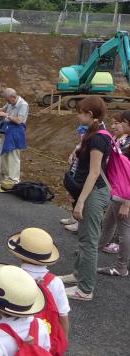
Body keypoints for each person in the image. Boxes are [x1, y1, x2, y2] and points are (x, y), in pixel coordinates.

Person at [60, 95, 111, 300]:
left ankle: (85, 289)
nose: (78, 116)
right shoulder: (93, 133)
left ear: (90, 114)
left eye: (80, 113)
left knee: (89, 241)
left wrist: (81, 200)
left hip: (94, 192)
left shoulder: (98, 137)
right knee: (83, 238)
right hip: (89, 190)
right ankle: (78, 275)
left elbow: (94, 172)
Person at [3, 227, 70, 356]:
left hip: (11, 337)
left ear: (21, 256)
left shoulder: (11, 277)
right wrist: (63, 342)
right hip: (43, 341)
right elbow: (63, 316)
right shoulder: (55, 282)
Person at [99, 110, 130, 275]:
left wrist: (127, 202)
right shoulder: (123, 140)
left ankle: (121, 267)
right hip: (117, 191)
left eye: (119, 122)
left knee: (124, 230)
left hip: (125, 195)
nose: (115, 126)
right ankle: (93, 250)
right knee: (108, 222)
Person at [0, 88, 29, 184]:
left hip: (16, 131)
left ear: (13, 97)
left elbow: (19, 120)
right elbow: (3, 109)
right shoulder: (10, 102)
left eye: (7, 100)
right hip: (7, 129)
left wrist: (6, 116)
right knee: (5, 154)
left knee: (13, 155)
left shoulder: (23, 105)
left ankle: (14, 179)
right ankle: (7, 177)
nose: (7, 102)